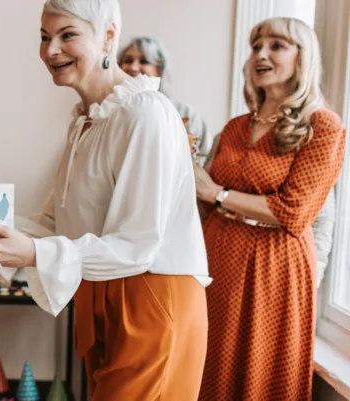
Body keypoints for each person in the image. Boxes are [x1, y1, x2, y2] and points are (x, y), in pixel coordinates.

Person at [0, 0, 211, 399]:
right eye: (44, 37)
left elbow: (138, 244)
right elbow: (59, 225)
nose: (50, 50)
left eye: (68, 35)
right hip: (101, 296)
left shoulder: (146, 115)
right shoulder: (86, 122)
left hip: (150, 301)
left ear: (109, 35)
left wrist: (34, 254)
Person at [193, 17, 346, 401]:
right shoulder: (233, 127)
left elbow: (294, 212)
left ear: (303, 58)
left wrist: (218, 194)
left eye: (277, 45)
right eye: (256, 45)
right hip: (216, 262)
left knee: (259, 378)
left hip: (274, 271)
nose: (261, 54)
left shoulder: (323, 128)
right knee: (210, 369)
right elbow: (203, 200)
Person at [117, 36, 212, 163]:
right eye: (128, 61)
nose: (133, 67)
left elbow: (200, 160)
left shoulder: (186, 114)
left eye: (144, 61)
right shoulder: (110, 111)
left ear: (159, 70)